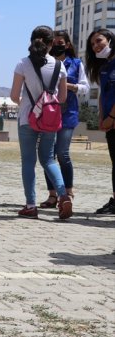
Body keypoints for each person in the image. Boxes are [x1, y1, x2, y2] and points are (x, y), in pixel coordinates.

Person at [10, 25, 72, 219]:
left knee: (28, 161)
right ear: (52, 43)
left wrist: (27, 105)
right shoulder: (59, 65)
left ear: (31, 41)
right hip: (49, 118)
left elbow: (13, 95)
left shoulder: (22, 64)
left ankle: (30, 205)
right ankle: (63, 195)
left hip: (28, 118)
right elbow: (62, 98)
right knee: (48, 159)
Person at [37, 30, 89, 208]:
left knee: (62, 153)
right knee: (48, 154)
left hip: (68, 114)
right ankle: (52, 195)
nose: (57, 45)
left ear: (67, 45)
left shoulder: (76, 63)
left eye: (61, 42)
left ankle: (68, 192)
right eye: (55, 42)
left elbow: (85, 88)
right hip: (48, 113)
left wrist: (69, 86)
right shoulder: (46, 62)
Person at [85, 28, 115, 215]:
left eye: (99, 41)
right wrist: (101, 118)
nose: (96, 46)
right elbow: (104, 95)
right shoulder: (104, 68)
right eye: (93, 44)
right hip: (110, 123)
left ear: (110, 39)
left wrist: (112, 117)